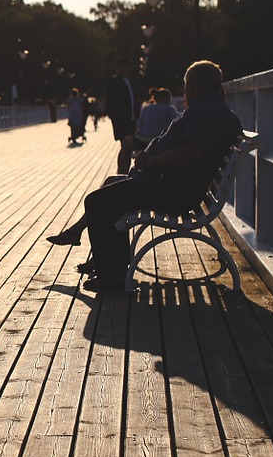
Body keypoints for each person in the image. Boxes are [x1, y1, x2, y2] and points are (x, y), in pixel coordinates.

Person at [45, 60, 242, 292]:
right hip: (171, 184)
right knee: (107, 194)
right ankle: (107, 264)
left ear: (193, 87)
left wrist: (154, 161)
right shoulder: (210, 110)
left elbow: (191, 152)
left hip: (171, 191)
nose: (184, 91)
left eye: (186, 85)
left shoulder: (206, 113)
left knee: (97, 202)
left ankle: (113, 275)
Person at [104, 58, 138, 174]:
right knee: (125, 146)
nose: (129, 69)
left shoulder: (130, 81)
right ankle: (122, 172)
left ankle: (124, 172)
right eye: (126, 66)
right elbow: (111, 102)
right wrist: (114, 117)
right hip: (122, 120)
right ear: (119, 68)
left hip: (131, 119)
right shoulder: (115, 83)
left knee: (127, 147)